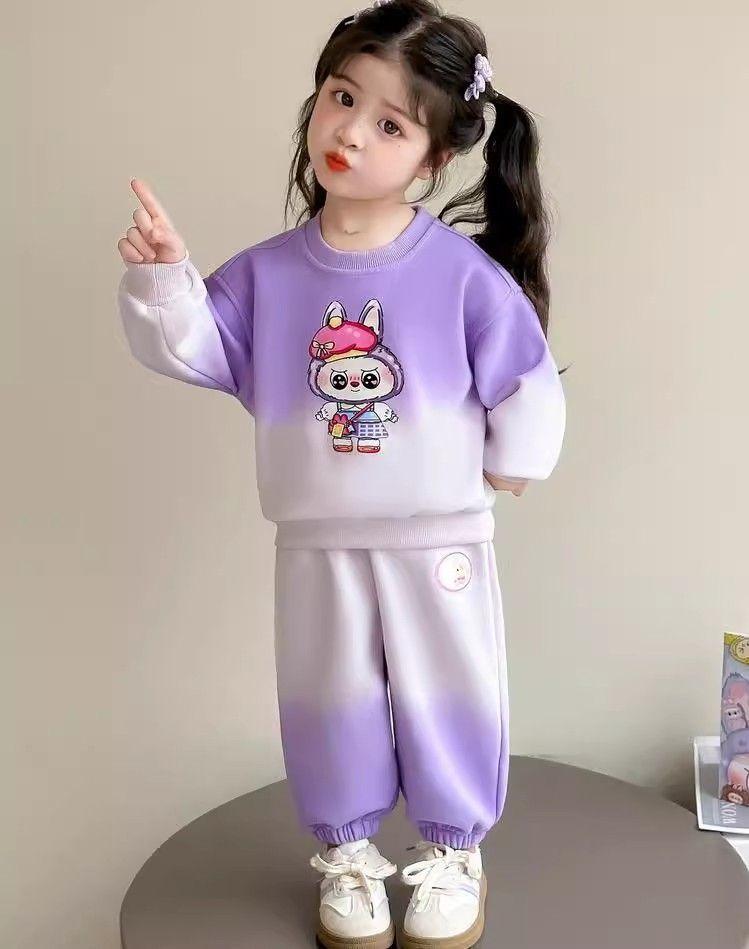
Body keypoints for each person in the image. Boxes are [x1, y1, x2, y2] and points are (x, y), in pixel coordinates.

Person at [116, 1, 566, 946]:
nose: (351, 133)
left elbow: (522, 372)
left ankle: (451, 851)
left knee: (449, 689)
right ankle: (349, 852)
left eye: (390, 124)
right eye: (341, 97)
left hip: (438, 540)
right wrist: (166, 275)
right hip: (315, 538)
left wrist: (512, 463)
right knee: (328, 696)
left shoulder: (458, 275)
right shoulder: (266, 275)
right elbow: (196, 345)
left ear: (433, 159)